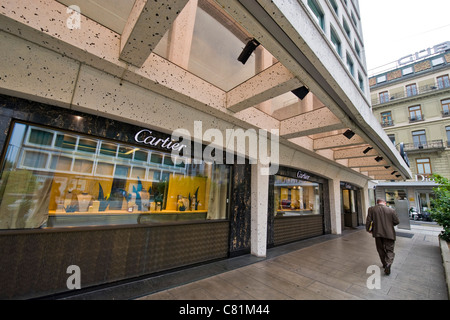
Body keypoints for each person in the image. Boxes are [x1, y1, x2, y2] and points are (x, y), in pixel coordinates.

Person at [366, 199, 400, 275]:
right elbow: (397, 221)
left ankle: (384, 264)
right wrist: (390, 225)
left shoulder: (371, 209)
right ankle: (388, 263)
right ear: (384, 203)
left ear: (377, 203)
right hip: (389, 233)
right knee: (390, 250)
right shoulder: (391, 210)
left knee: (380, 249)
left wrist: (368, 229)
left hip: (377, 233)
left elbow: (368, 220)